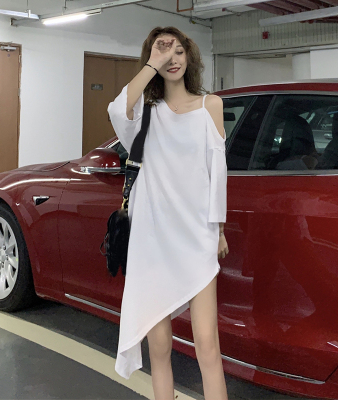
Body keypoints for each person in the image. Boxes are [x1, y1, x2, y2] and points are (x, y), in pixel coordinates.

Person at [107, 26, 229, 400]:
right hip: (153, 239)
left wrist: (219, 230)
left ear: (189, 56)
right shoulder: (146, 114)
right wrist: (152, 63)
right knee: (159, 347)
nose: (172, 58)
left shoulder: (210, 106)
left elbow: (217, 175)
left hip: (196, 237)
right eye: (163, 51)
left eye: (178, 50)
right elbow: (116, 108)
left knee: (207, 344)